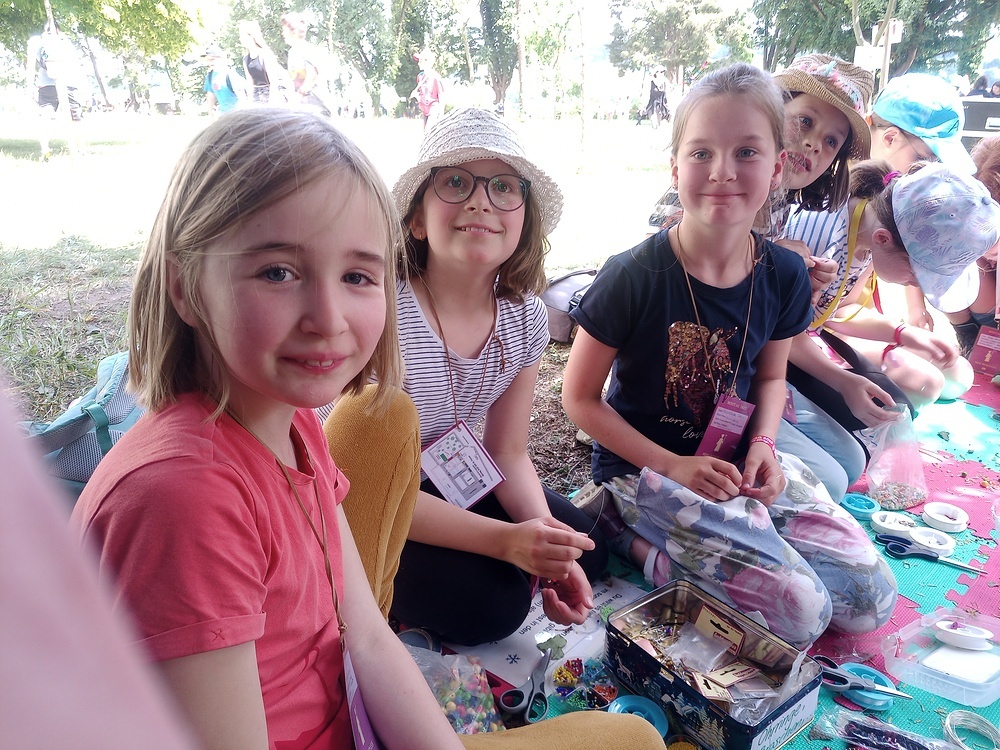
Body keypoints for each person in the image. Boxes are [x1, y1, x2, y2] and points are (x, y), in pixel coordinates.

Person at [69, 107, 663, 750]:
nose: (328, 318)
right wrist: (506, 543)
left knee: (619, 692)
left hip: (351, 700)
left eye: (356, 276)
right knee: (507, 616)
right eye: (278, 272)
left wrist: (534, 539)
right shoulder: (182, 498)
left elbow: (367, 637)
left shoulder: (296, 424)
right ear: (186, 287)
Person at [562, 63, 897, 649]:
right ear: (675, 167)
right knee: (799, 615)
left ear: (776, 167)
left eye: (746, 152)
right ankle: (624, 534)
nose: (722, 171)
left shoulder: (784, 272)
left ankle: (746, 538)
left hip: (736, 463)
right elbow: (579, 399)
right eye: (701, 153)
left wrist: (764, 444)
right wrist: (672, 466)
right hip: (643, 472)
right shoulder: (632, 275)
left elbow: (770, 378)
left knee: (871, 599)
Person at [326, 107, 606, 647]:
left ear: (524, 221)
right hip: (360, 496)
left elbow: (507, 451)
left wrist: (546, 545)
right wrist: (505, 542)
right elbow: (352, 483)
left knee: (584, 543)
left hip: (451, 471)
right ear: (416, 219)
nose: (481, 201)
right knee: (496, 606)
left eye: (504, 187)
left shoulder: (525, 317)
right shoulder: (380, 312)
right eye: (455, 183)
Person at [785, 161, 999, 418]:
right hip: (784, 347)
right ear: (883, 239)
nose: (918, 286)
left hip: (811, 334)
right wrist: (841, 380)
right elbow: (783, 332)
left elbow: (840, 309)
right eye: (917, 274)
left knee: (958, 374)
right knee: (922, 385)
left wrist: (903, 333)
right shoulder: (821, 240)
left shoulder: (871, 234)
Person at [24, 19, 83, 160]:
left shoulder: (36, 42)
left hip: (49, 85)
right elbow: (75, 65)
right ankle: (78, 150)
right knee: (73, 117)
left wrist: (30, 86)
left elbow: (31, 66)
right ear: (58, 29)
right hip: (65, 84)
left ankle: (46, 150)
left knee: (46, 117)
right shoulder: (65, 41)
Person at [282, 13, 333, 116]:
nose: (282, 34)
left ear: (294, 32)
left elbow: (312, 75)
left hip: (315, 106)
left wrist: (299, 95)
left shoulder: (305, 49)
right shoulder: (293, 52)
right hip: (304, 106)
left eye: (284, 30)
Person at [239, 19, 290, 104]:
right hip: (257, 97)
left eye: (242, 36)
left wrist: (271, 102)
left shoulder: (264, 54)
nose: (240, 39)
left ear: (251, 36)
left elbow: (274, 81)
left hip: (272, 95)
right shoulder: (246, 59)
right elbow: (250, 84)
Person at [201, 45, 246, 113]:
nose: (210, 63)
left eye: (212, 59)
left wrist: (244, 114)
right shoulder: (210, 76)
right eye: (208, 60)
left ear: (221, 58)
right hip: (222, 115)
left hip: (236, 114)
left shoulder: (230, 74)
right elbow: (211, 95)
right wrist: (210, 112)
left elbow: (241, 95)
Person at [411, 48, 445, 131]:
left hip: (433, 108)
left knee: (428, 131)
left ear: (427, 62)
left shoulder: (435, 77)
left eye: (421, 61)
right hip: (424, 110)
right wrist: (417, 97)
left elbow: (441, 94)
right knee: (426, 133)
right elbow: (421, 92)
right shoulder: (420, 77)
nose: (418, 63)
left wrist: (441, 112)